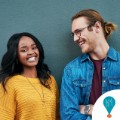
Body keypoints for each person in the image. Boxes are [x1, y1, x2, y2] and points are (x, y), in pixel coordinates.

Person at [60, 9, 120, 120]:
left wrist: (88, 109)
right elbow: (68, 115)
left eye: (78, 32)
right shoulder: (71, 70)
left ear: (97, 27)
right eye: (73, 34)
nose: (75, 39)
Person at [0, 32, 59, 120]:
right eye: (24, 50)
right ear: (16, 55)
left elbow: (58, 114)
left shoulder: (50, 80)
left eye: (34, 47)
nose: (31, 52)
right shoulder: (9, 84)